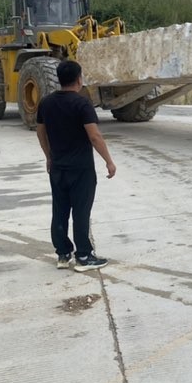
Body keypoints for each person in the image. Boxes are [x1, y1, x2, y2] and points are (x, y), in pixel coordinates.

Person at [36, 60, 116, 272]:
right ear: (79, 79)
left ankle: (63, 254)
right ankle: (84, 256)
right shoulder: (82, 104)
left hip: (57, 168)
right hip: (81, 169)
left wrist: (48, 156)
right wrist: (108, 161)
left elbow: (40, 132)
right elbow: (95, 136)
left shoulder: (46, 103)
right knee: (81, 211)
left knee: (60, 210)